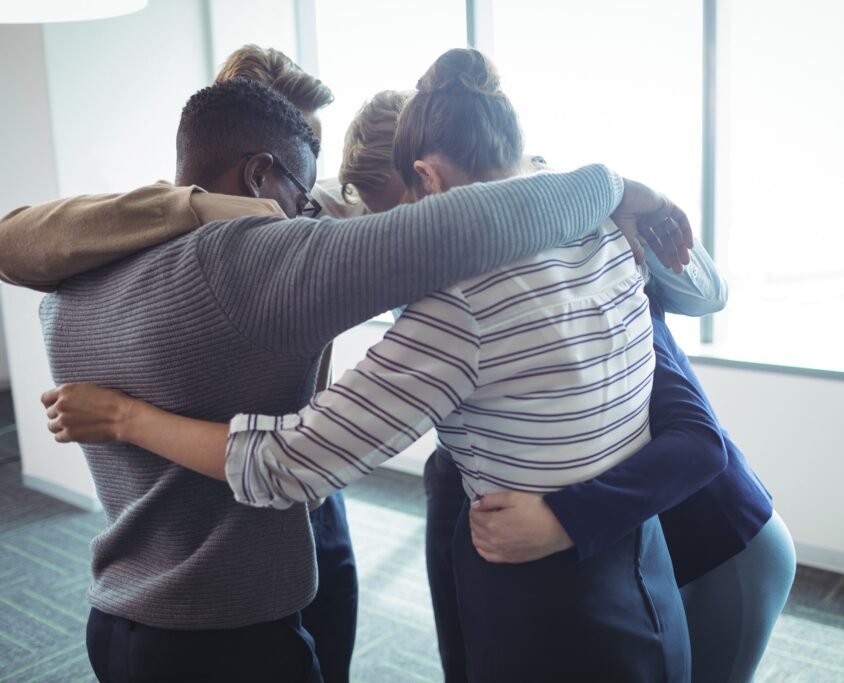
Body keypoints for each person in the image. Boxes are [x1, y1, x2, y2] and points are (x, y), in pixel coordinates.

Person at [39, 49, 699, 682]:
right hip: (645, 587)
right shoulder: (611, 233)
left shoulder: (70, 288)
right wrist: (613, 182)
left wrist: (127, 416)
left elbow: (288, 462)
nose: (313, 213)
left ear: (428, 179)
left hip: (125, 614)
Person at [332, 86, 796, 683]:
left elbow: (696, 442)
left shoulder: (586, 273)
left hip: (721, 543)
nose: (416, 249)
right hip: (644, 550)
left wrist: (564, 518)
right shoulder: (469, 284)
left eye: (415, 217)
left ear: (438, 184)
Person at [215, 45, 356, 683]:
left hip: (316, 493)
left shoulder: (314, 211)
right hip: (218, 502)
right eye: (301, 153)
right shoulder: (165, 242)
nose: (315, 174)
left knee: (334, 651)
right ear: (257, 164)